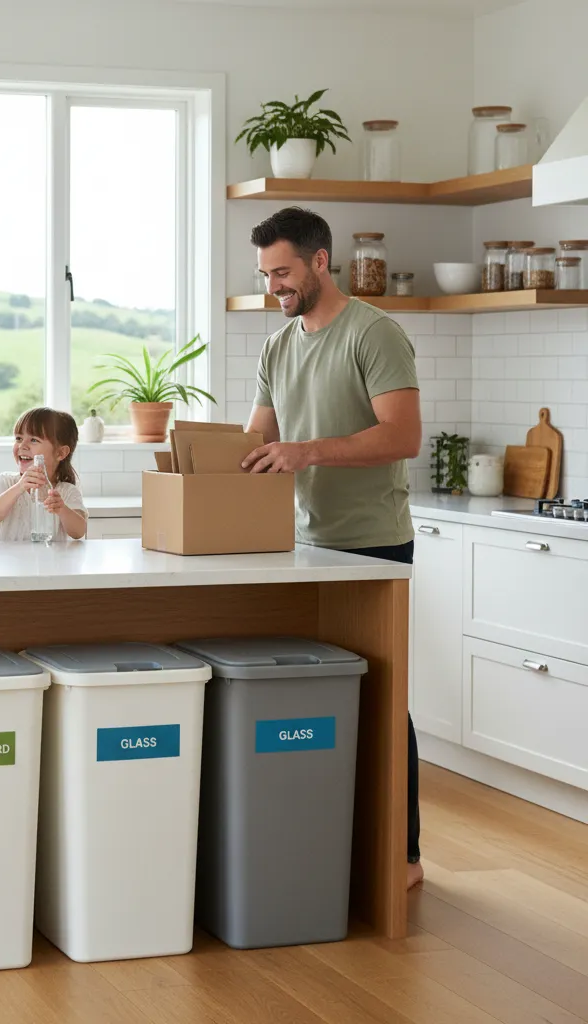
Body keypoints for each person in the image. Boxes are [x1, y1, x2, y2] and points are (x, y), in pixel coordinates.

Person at [241, 206, 425, 889]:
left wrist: (307, 449)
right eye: (265, 276)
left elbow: (402, 436)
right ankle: (328, 840)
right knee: (317, 697)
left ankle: (402, 856)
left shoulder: (374, 334)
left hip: (374, 544)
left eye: (283, 273)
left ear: (321, 262)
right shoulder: (277, 345)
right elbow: (258, 442)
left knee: (383, 694)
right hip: (302, 543)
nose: (274, 288)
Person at [0, 407, 88, 543]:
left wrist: (62, 509)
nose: (22, 446)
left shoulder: (66, 491)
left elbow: (78, 532)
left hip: (47, 562)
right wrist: (19, 487)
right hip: (5, 563)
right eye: (19, 438)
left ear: (60, 453)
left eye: (34, 440)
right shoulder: (6, 482)